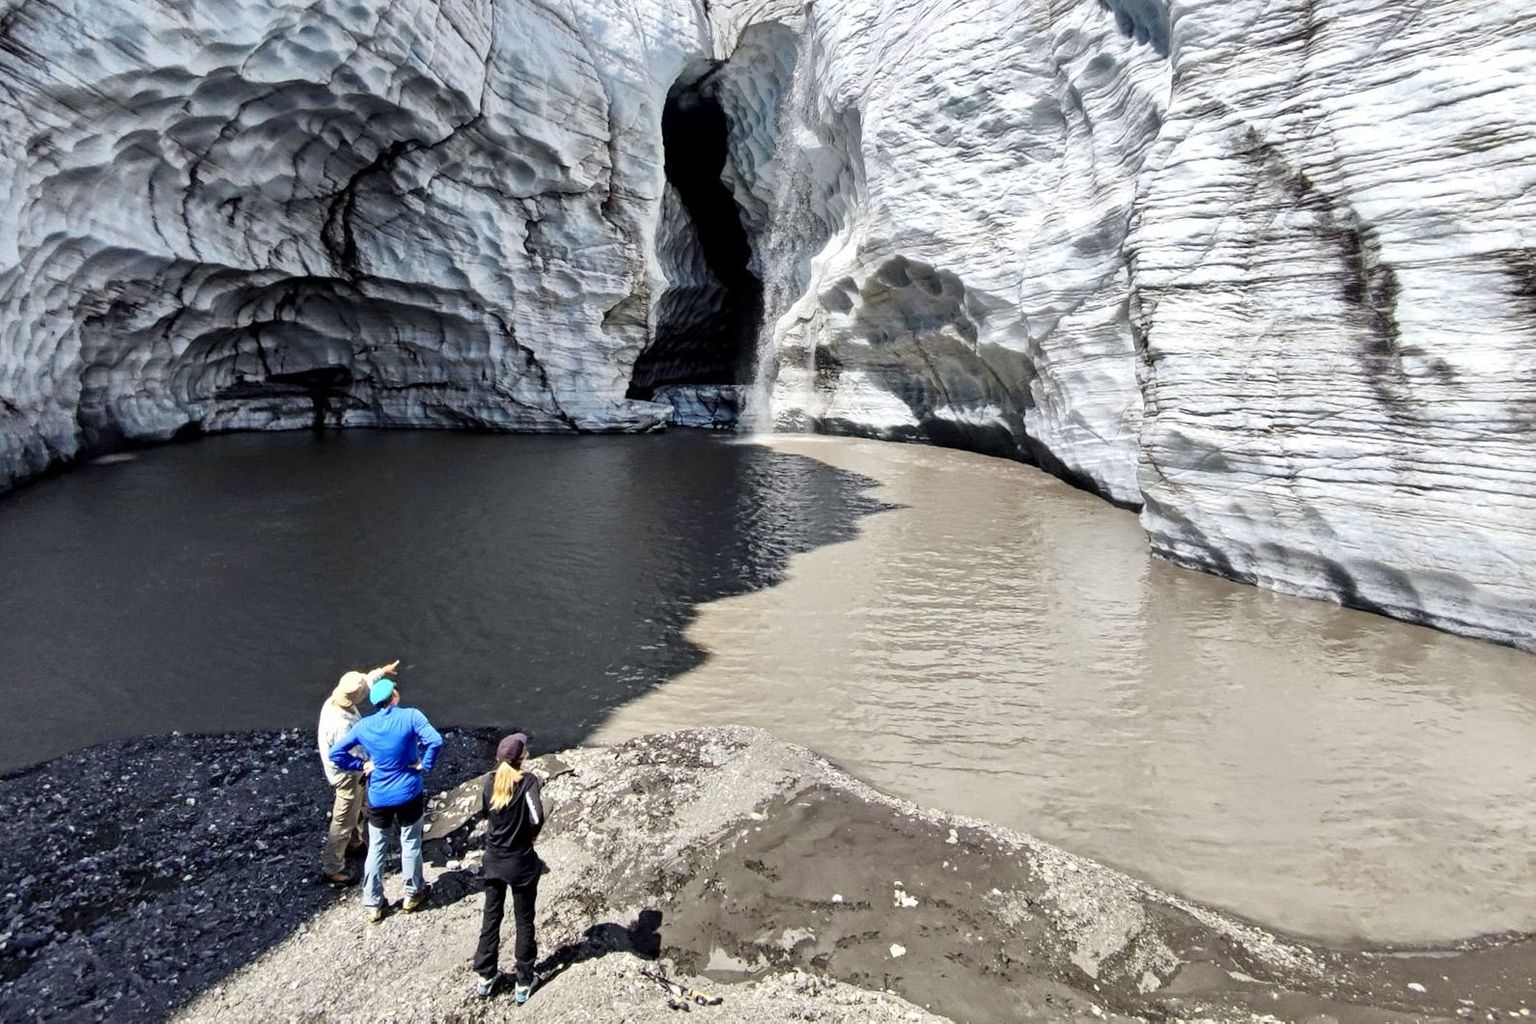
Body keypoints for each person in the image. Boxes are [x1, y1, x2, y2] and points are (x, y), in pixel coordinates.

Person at [328, 676, 443, 923]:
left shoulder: (364, 726)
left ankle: (373, 903)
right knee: (410, 842)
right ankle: (413, 892)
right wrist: (426, 764)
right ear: (394, 697)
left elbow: (335, 753)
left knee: (377, 848)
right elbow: (435, 740)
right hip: (409, 792)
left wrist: (360, 764)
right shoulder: (411, 716)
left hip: (379, 797)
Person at [473, 733, 547, 1003]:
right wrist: (529, 837)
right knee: (524, 920)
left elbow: (484, 812)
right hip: (521, 862)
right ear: (522, 758)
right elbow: (537, 817)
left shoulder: (489, 782)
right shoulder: (528, 782)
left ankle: (485, 975)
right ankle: (524, 980)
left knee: (491, 917)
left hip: (493, 860)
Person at [315, 660, 397, 884]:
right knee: (343, 818)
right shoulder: (341, 725)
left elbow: (363, 684)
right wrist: (364, 766)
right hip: (345, 775)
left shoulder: (335, 702)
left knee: (359, 806)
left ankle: (355, 843)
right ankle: (333, 867)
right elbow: (343, 756)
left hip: (353, 772)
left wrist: (382, 672)